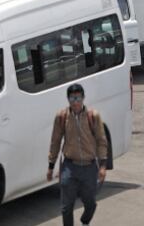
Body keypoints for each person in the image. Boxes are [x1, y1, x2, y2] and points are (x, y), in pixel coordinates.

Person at [47, 84, 108, 226]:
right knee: (66, 207)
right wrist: (51, 166)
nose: (75, 102)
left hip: (89, 167)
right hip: (70, 167)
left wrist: (103, 166)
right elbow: (55, 141)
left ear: (83, 98)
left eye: (78, 98)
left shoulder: (93, 116)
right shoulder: (62, 117)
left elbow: (101, 141)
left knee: (90, 203)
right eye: (72, 98)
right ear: (68, 99)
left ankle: (85, 221)